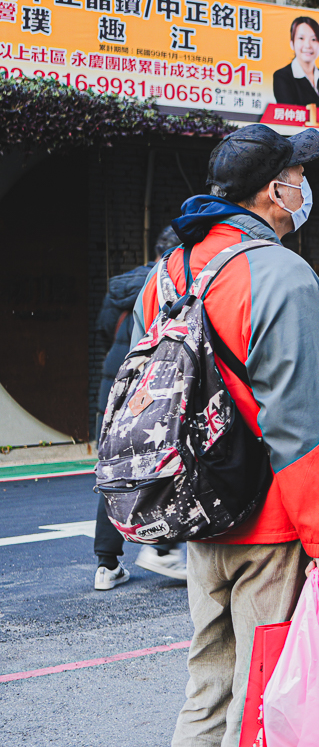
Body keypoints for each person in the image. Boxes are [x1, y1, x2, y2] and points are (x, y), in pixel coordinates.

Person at [147, 125, 319, 747]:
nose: (303, 188)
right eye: (298, 175)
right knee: (264, 703)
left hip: (198, 514)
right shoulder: (280, 274)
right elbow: (305, 426)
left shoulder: (170, 270)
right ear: (274, 190)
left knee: (207, 688)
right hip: (271, 522)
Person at [92, 226, 186, 591]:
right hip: (147, 386)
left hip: (111, 383)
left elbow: (104, 331)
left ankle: (106, 565)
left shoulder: (122, 285)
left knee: (112, 469)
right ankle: (162, 549)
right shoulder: (169, 284)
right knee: (161, 459)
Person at [271, 16, 319, 108]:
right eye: (301, 38)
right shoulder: (282, 76)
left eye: (314, 39)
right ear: (292, 43)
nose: (307, 45)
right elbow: (288, 112)